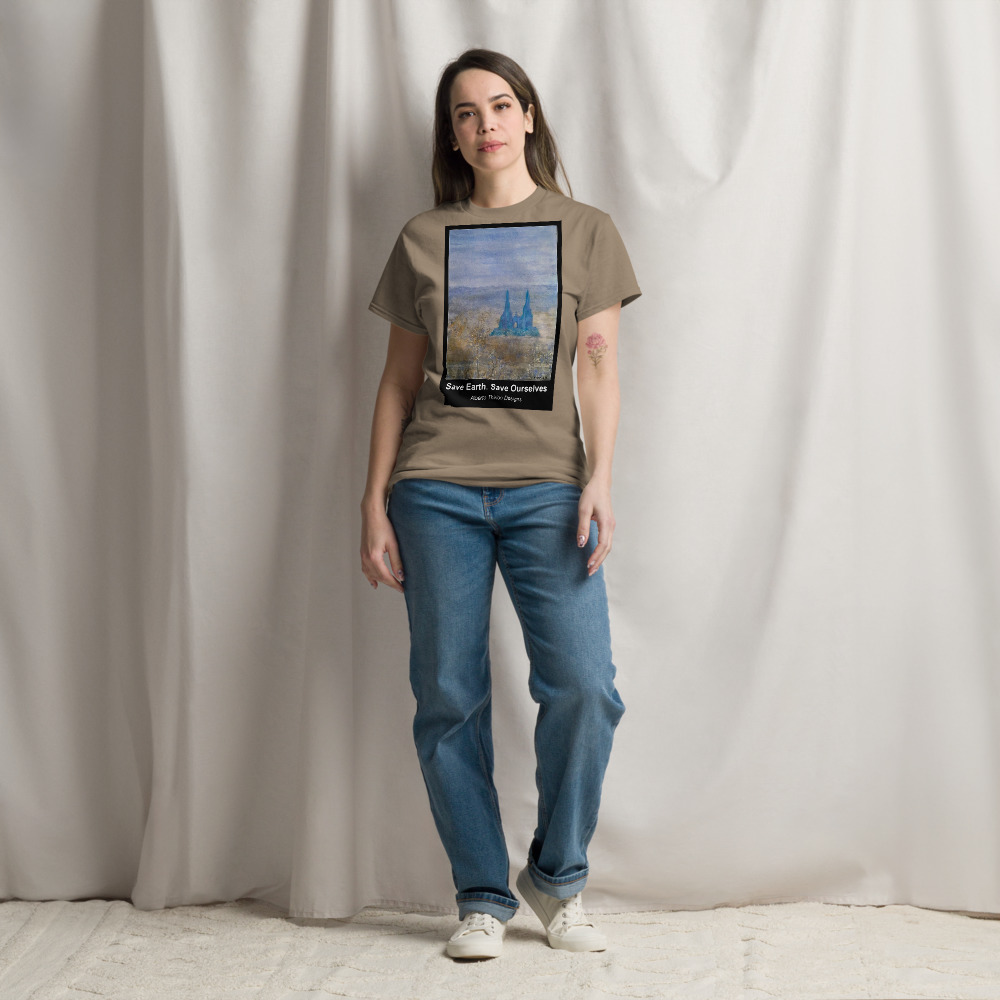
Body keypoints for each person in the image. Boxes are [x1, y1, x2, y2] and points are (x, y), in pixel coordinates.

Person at [360, 48, 641, 960]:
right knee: (447, 695)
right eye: (465, 113)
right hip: (433, 490)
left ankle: (556, 878)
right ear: (453, 136)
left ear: (528, 117)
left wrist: (600, 477)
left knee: (585, 689)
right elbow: (397, 384)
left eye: (500, 105)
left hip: (548, 491)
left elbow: (597, 368)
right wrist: (373, 502)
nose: (485, 124)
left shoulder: (585, 231)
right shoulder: (423, 237)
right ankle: (481, 893)